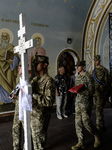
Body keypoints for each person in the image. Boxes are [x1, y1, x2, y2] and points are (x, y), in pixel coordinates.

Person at [71, 61, 100, 150]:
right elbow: (76, 87)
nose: (77, 68)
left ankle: (97, 135)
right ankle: (80, 142)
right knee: (78, 123)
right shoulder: (77, 77)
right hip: (78, 102)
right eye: (76, 66)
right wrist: (74, 90)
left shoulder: (88, 77)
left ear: (83, 67)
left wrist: (81, 90)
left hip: (86, 103)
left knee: (86, 122)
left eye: (79, 66)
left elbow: (92, 91)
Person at [30, 54, 55, 150]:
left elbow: (49, 102)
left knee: (39, 143)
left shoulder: (49, 81)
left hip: (42, 115)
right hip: (33, 113)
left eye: (37, 63)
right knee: (34, 140)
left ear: (44, 65)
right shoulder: (35, 80)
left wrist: (34, 95)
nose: (35, 66)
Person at [92, 55, 110, 132]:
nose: (95, 62)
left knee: (98, 109)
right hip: (95, 93)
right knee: (99, 109)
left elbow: (107, 83)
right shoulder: (94, 71)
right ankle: (101, 124)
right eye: (94, 60)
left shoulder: (104, 70)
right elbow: (93, 82)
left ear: (100, 61)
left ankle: (99, 126)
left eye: (97, 60)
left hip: (101, 93)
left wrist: (106, 94)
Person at [0, 31, 19, 103]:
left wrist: (13, 61)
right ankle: (2, 99)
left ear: (8, 38)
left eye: (5, 36)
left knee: (10, 82)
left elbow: (16, 57)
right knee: (1, 84)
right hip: (0, 69)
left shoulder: (11, 47)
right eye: (3, 36)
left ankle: (12, 98)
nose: (4, 38)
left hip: (9, 67)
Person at [9, 62, 24, 150]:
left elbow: (28, 96)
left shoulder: (28, 79)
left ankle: (27, 147)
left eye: (20, 67)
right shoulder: (19, 77)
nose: (18, 68)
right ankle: (16, 147)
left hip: (25, 108)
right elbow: (17, 88)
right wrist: (13, 94)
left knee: (26, 129)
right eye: (18, 66)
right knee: (15, 128)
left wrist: (17, 96)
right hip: (18, 107)